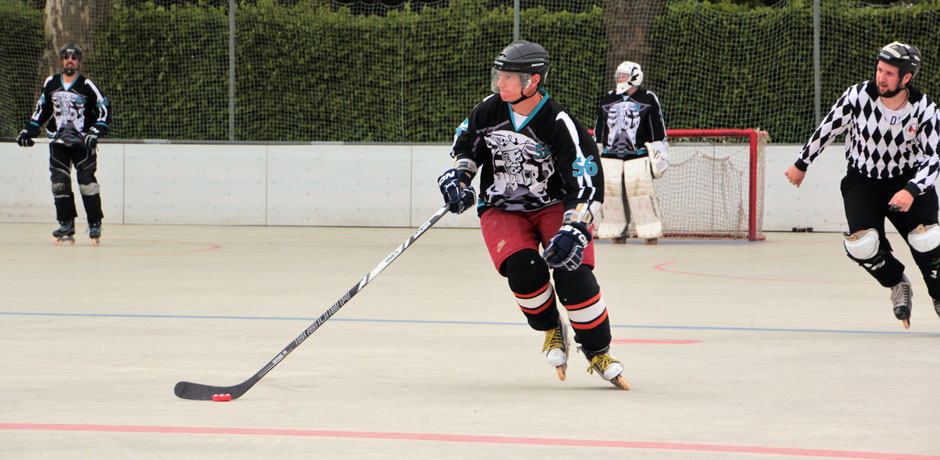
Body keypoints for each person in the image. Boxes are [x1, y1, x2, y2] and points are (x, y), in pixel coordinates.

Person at [437, 40, 629, 389]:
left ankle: (598, 350)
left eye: (509, 77)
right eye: (499, 75)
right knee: (525, 272)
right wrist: (459, 177)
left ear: (533, 81)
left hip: (554, 206)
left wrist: (576, 228)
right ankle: (552, 329)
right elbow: (466, 146)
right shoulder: (488, 110)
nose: (500, 83)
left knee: (573, 275)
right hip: (501, 207)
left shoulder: (559, 122)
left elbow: (586, 183)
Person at [785, 41, 940, 329]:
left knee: (927, 241)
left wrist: (911, 190)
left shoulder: (924, 109)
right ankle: (897, 282)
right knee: (862, 245)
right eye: (880, 70)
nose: (881, 77)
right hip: (862, 181)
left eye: (890, 73)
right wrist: (802, 163)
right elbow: (828, 128)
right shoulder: (858, 96)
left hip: (907, 181)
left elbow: (933, 158)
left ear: (907, 78)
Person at [16, 43, 111, 245]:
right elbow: (41, 110)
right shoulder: (51, 82)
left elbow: (104, 109)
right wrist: (28, 131)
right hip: (58, 143)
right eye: (66, 57)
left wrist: (96, 131)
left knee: (87, 183)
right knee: (59, 183)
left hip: (82, 144)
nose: (70, 60)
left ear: (79, 62)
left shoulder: (87, 86)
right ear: (61, 60)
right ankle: (66, 223)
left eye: (74, 57)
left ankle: (95, 222)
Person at [592, 61, 669, 245]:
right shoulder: (608, 99)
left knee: (641, 191)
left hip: (638, 155)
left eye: (624, 76)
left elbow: (657, 129)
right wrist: (598, 149)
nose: (620, 79)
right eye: (619, 75)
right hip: (611, 157)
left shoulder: (648, 98)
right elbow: (599, 130)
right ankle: (616, 231)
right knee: (611, 194)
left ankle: (650, 231)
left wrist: (660, 151)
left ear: (635, 77)